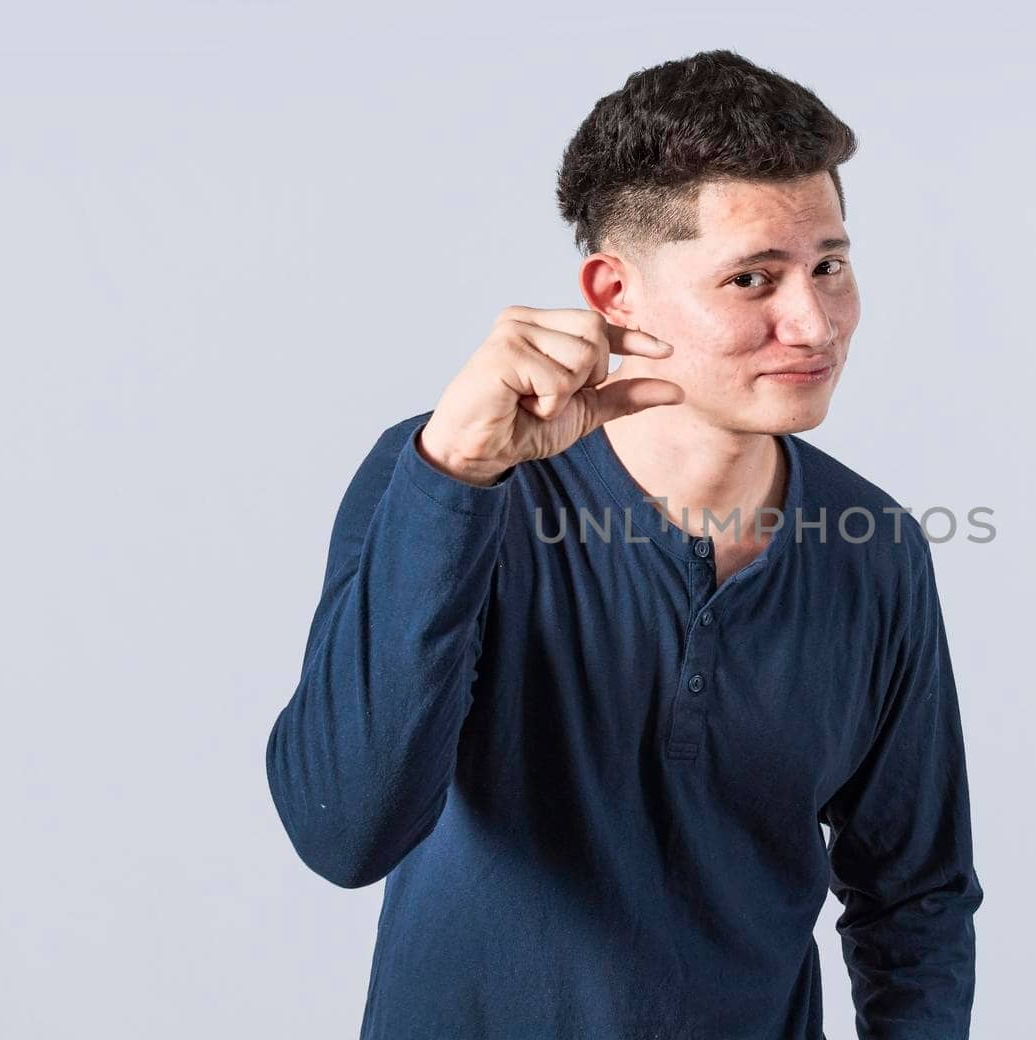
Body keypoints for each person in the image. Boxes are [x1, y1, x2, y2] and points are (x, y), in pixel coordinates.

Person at [265, 48, 983, 1040]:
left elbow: (917, 892)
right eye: (752, 277)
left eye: (829, 264)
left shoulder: (875, 547)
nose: (811, 319)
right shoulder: (443, 477)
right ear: (615, 291)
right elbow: (345, 829)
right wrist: (456, 481)